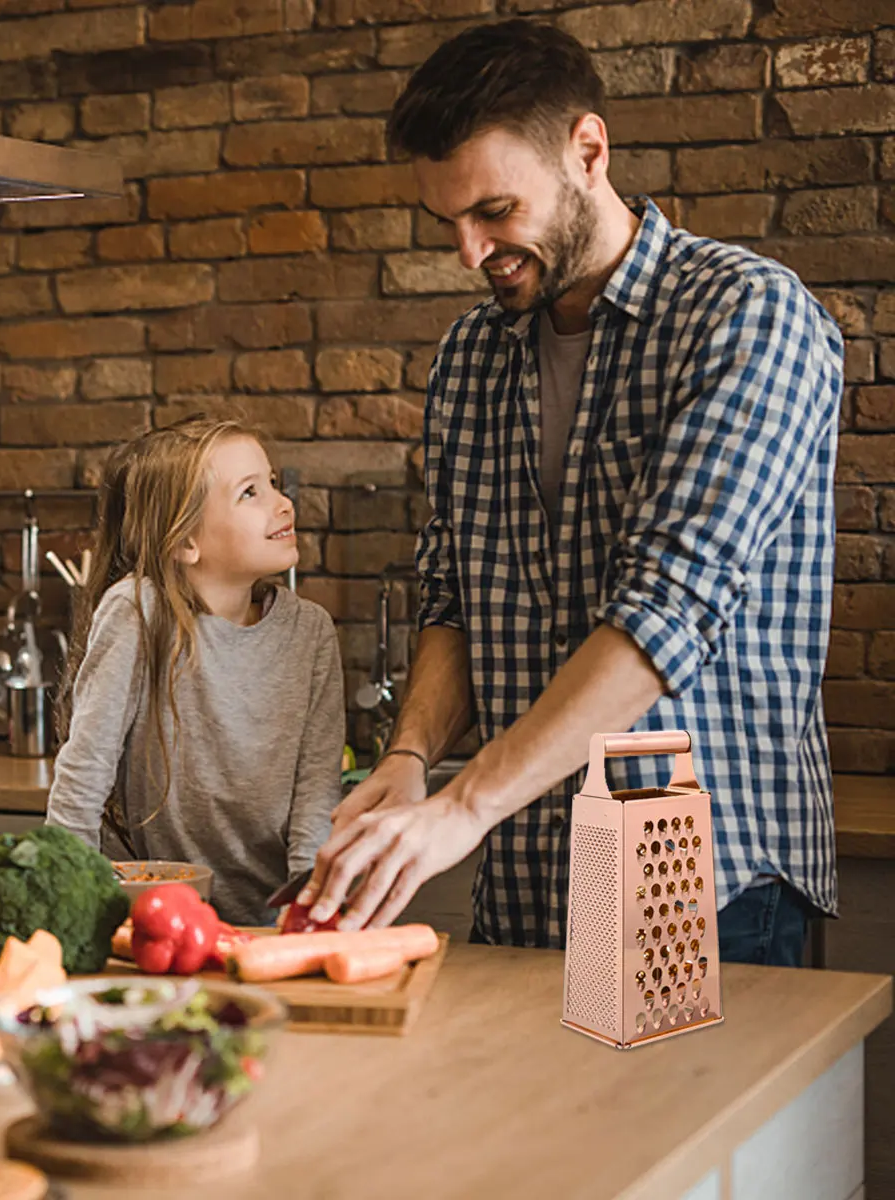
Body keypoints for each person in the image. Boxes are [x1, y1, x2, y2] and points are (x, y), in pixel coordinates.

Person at [301, 19, 844, 967]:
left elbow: (667, 611)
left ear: (587, 150)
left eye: (496, 212)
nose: (471, 253)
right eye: (450, 224)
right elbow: (453, 596)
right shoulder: (471, 359)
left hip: (707, 886)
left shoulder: (747, 316)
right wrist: (409, 759)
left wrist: (462, 804)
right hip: (528, 874)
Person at [48, 416, 345, 927]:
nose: (283, 502)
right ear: (186, 540)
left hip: (269, 922)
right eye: (250, 492)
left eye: (274, 482)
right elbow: (84, 774)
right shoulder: (139, 611)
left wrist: (306, 913)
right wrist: (64, 902)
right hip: (154, 923)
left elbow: (316, 796)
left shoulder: (311, 632)